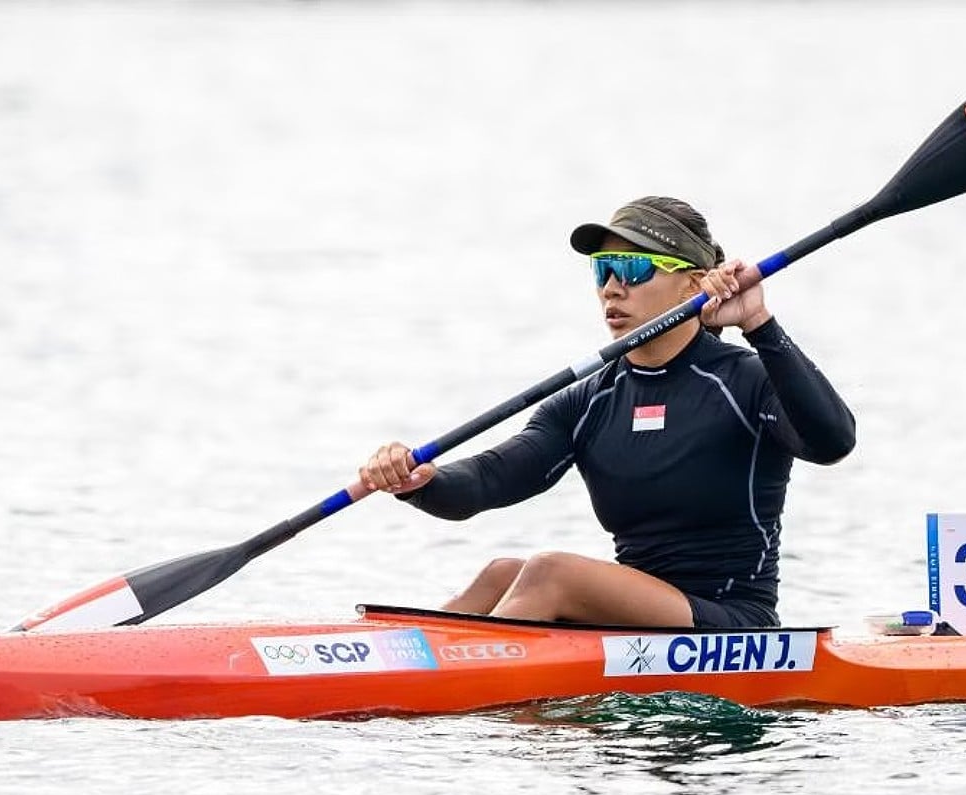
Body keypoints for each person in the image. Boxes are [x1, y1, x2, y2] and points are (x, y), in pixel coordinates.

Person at [359, 196, 855, 628]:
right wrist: (418, 480)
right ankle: (385, 663)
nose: (612, 288)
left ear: (693, 285)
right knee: (500, 575)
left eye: (635, 269)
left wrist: (759, 324)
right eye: (603, 269)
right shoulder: (588, 399)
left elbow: (833, 441)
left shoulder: (743, 379)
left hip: (733, 621)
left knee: (551, 572)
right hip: (632, 613)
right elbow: (489, 480)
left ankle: (460, 700)